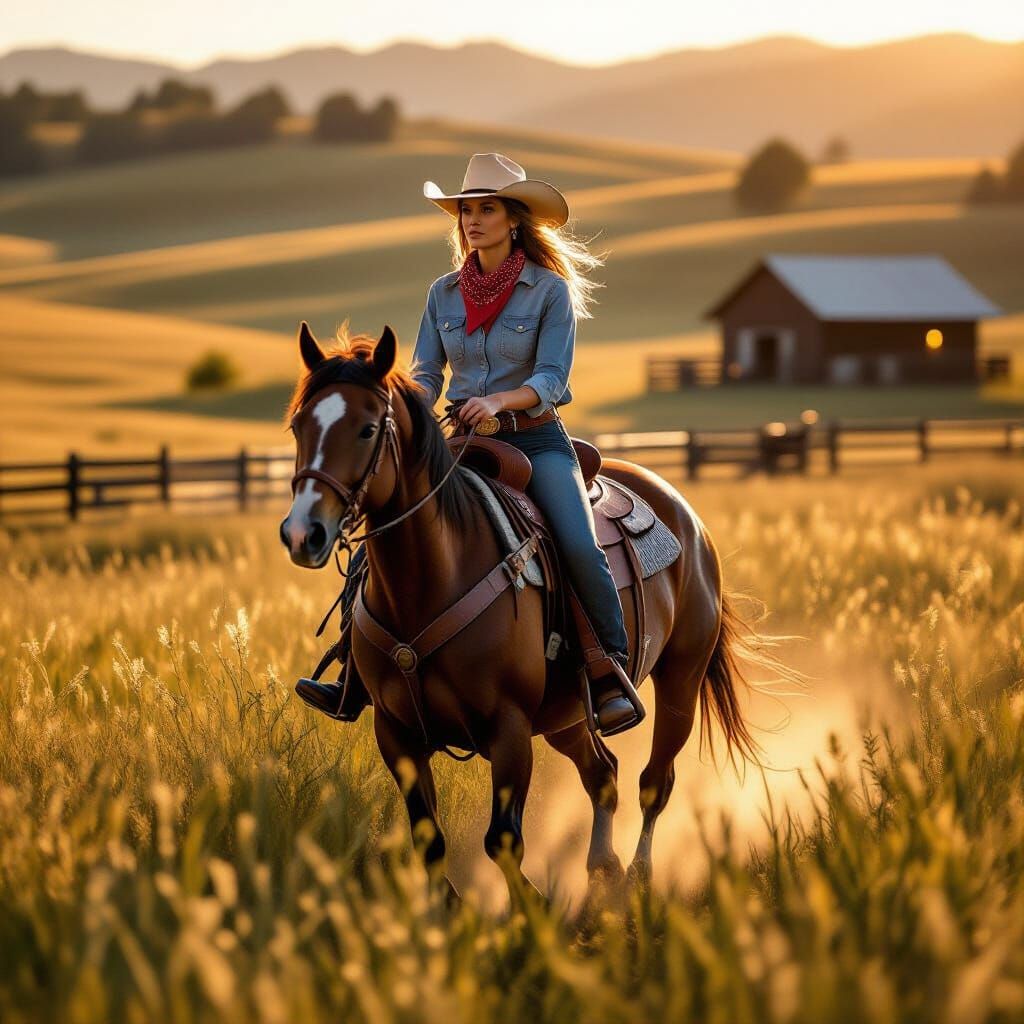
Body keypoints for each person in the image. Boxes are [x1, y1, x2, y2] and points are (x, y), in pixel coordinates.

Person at [296, 152, 643, 735]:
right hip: (457, 441)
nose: (473, 221)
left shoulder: (549, 292)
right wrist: (408, 409)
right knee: (379, 533)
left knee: (578, 545)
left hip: (535, 443)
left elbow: (553, 380)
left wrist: (499, 402)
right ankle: (353, 673)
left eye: (486, 209)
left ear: (514, 219)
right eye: (465, 212)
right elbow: (427, 373)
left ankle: (608, 671)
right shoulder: (444, 294)